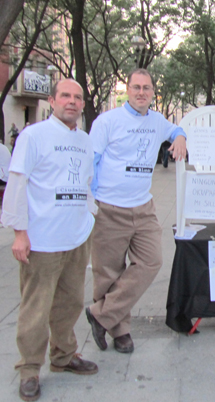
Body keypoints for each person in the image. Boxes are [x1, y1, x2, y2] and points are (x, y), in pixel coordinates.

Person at [1, 78, 98, 402]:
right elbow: (17, 183)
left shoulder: (84, 141)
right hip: (41, 240)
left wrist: (90, 219)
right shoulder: (33, 136)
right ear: (52, 100)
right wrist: (19, 232)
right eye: (65, 96)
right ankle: (29, 369)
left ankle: (63, 356)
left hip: (75, 238)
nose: (71, 101)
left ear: (82, 104)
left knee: (69, 303)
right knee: (35, 309)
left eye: (77, 97)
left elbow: (85, 183)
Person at [85, 68, 187, 354]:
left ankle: (100, 315)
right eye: (136, 87)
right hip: (109, 208)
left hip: (143, 208)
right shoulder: (107, 121)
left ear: (153, 92)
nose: (141, 92)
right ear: (127, 90)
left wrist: (180, 136)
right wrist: (89, 203)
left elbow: (175, 130)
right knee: (108, 273)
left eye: (147, 88)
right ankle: (121, 332)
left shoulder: (156, 121)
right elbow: (90, 161)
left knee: (151, 261)